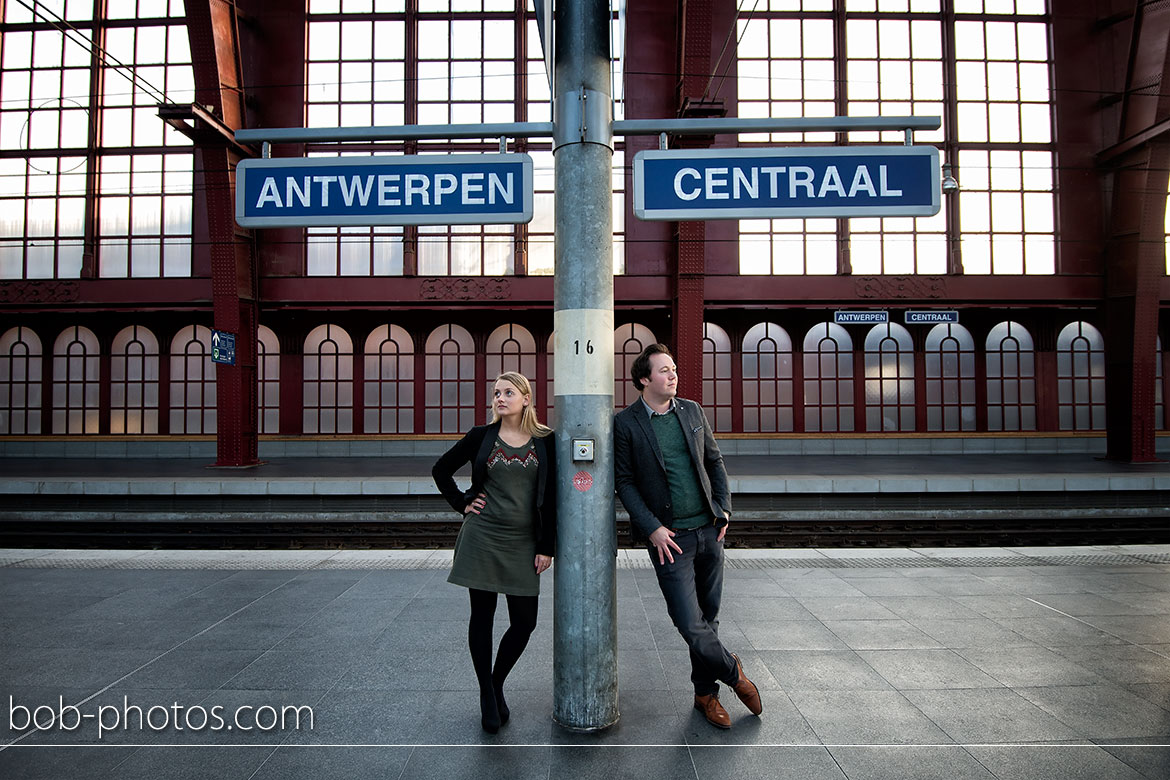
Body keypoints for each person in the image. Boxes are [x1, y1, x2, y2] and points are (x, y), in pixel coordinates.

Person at [613, 343, 762, 729]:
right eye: (664, 370)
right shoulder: (626, 423)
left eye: (674, 368)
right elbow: (625, 482)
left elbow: (714, 459)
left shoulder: (692, 410)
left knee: (708, 620)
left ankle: (704, 696)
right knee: (688, 622)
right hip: (670, 539)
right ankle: (734, 673)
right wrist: (653, 528)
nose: (673, 375)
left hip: (709, 530)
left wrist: (724, 508)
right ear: (644, 379)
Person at [432, 371, 557, 734]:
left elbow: (551, 499)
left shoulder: (545, 441)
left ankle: (496, 681)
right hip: (482, 537)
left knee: (524, 622)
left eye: (508, 393)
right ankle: (487, 694)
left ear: (526, 399)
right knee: (482, 617)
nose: (500, 398)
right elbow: (441, 469)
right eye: (496, 393)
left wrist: (546, 546)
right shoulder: (480, 437)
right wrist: (463, 503)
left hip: (523, 543)